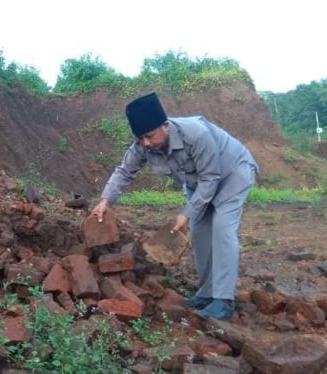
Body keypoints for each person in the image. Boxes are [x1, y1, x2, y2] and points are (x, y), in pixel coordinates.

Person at [91, 92, 258, 320]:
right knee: (199, 231)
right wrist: (105, 201)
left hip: (232, 172)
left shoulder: (196, 135)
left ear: (166, 126)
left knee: (222, 227)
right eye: (141, 138)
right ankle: (207, 292)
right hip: (198, 181)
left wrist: (186, 213)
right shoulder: (143, 145)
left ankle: (224, 300)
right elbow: (124, 171)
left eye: (149, 136)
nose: (145, 143)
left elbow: (211, 178)